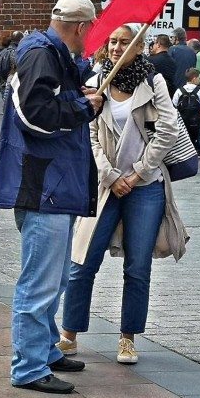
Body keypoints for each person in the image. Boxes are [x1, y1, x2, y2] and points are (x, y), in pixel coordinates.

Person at [0, 0, 103, 395]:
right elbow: (36, 115)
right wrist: (84, 108)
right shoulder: (41, 54)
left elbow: (42, 106)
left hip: (51, 184)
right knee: (40, 282)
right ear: (81, 27)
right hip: (45, 187)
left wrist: (79, 96)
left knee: (52, 279)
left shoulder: (47, 52)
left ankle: (43, 351)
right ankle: (29, 366)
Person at [57, 23, 187, 364]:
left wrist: (140, 171)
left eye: (124, 43)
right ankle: (69, 334)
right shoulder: (98, 78)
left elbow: (168, 130)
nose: (116, 48)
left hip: (145, 186)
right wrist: (111, 174)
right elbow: (88, 133)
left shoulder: (152, 80)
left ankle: (128, 338)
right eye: (113, 42)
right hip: (106, 184)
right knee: (83, 260)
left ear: (139, 47)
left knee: (138, 266)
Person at [172, 68, 200, 150]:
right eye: (198, 78)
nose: (199, 79)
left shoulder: (179, 90)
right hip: (196, 119)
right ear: (194, 79)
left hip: (182, 119)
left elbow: (174, 104)